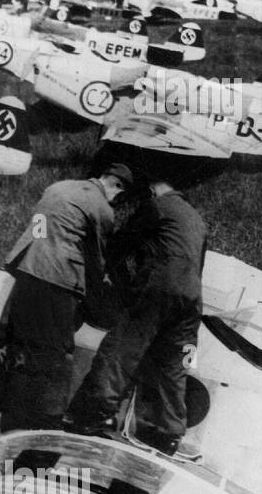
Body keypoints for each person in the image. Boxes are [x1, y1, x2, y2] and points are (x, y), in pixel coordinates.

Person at [64, 177, 207, 461]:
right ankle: (165, 433)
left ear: (152, 191)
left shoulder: (156, 208)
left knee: (120, 350)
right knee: (171, 365)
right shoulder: (197, 221)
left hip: (158, 288)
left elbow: (118, 247)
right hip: (191, 300)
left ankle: (92, 415)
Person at [0, 163, 134, 432]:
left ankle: (10, 407)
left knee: (22, 344)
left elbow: (38, 226)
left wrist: (41, 253)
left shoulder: (57, 187)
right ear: (118, 188)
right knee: (58, 353)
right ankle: (48, 419)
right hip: (57, 281)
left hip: (27, 269)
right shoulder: (102, 208)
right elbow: (97, 261)